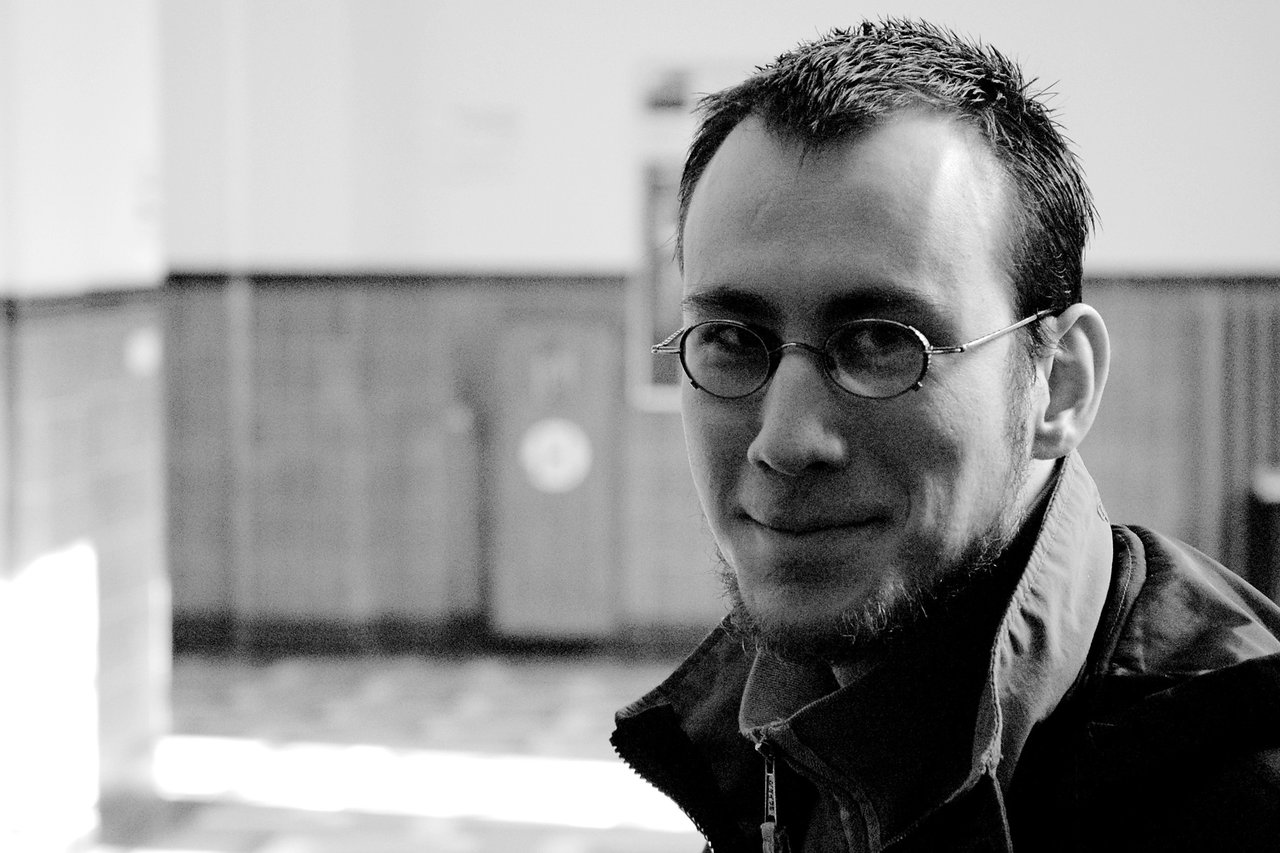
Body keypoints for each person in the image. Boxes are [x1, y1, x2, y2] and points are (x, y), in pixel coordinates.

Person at [611, 19, 1280, 852]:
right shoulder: (757, 726)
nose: (784, 441)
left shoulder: (1239, 789)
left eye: (882, 342)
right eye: (732, 340)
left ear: (1059, 383)